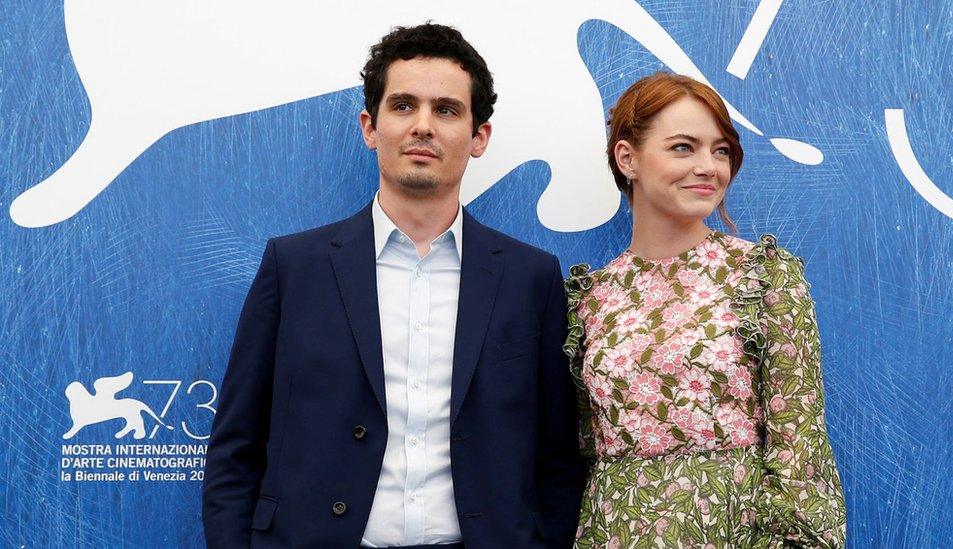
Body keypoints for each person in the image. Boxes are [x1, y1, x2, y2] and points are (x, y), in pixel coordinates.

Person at [203, 23, 586, 548]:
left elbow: (557, 455)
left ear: (479, 137)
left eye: (447, 110)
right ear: (370, 126)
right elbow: (235, 447)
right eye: (403, 106)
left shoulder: (531, 277)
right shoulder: (295, 268)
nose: (423, 126)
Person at [564, 72, 846, 547]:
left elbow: (802, 455)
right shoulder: (591, 298)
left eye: (720, 150)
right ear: (627, 158)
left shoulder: (761, 278)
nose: (708, 167)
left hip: (734, 532)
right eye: (682, 147)